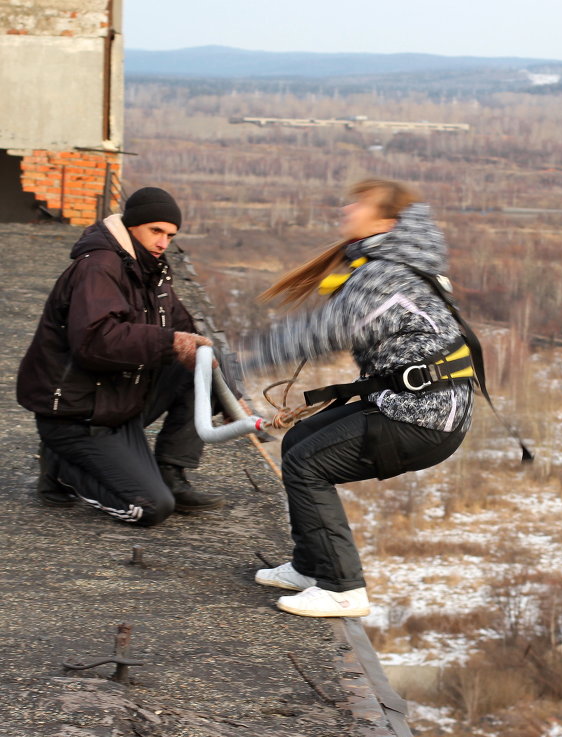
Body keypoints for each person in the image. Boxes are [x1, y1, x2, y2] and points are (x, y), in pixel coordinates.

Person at [246, 179, 473, 618]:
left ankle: (342, 588)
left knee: (309, 461)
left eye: (358, 204)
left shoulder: (384, 273)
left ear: (386, 222)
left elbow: (326, 330)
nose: (347, 209)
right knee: (300, 441)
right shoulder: (387, 263)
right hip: (411, 404)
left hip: (422, 416)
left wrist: (242, 358)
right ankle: (311, 565)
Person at [17, 187, 224, 525]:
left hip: (116, 400)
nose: (163, 243)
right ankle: (61, 466)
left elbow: (185, 331)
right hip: (76, 414)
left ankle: (170, 471)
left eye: (170, 235)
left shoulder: (151, 269)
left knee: (205, 361)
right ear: (131, 227)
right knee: (153, 508)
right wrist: (170, 342)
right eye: (155, 231)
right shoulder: (99, 267)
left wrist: (230, 398)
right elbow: (95, 341)